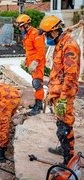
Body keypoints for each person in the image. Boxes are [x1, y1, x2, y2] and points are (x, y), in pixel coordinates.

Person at [38, 15, 80, 165]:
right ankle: (63, 148)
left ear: (54, 32)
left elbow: (70, 75)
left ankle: (68, 160)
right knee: (60, 124)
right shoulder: (60, 43)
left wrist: (63, 98)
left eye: (47, 34)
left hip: (65, 94)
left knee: (65, 127)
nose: (46, 38)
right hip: (58, 93)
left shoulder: (69, 46)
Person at [15, 14, 46, 116]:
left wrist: (36, 62)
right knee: (35, 83)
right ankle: (38, 103)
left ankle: (38, 106)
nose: (19, 28)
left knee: (38, 84)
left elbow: (40, 51)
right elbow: (30, 50)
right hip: (32, 62)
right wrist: (26, 59)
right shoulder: (27, 34)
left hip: (37, 63)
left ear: (26, 25)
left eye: (20, 26)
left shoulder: (35, 34)